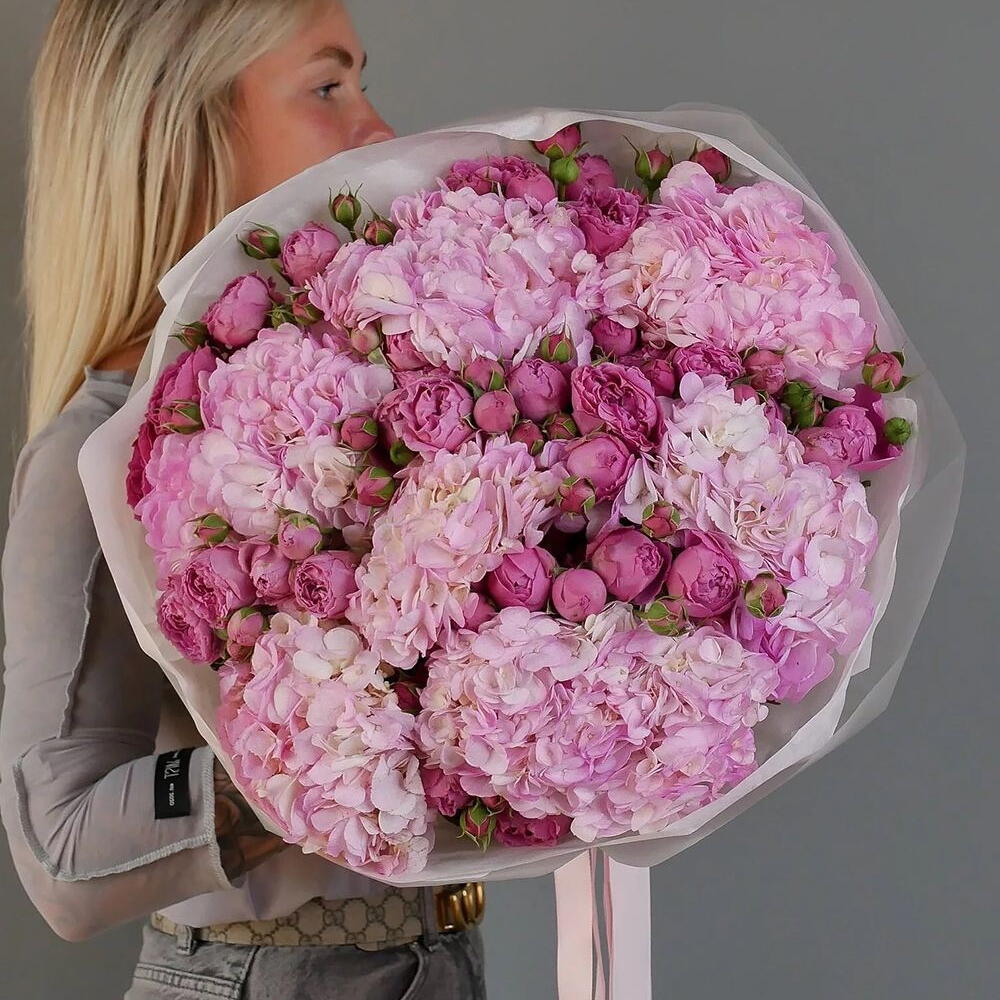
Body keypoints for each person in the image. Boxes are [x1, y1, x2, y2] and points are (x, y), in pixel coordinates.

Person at [0, 1, 487, 997]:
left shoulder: (379, 398)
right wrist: (367, 736)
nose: (377, 128)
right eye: (327, 86)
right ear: (185, 130)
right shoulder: (95, 452)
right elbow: (61, 856)